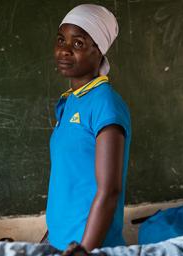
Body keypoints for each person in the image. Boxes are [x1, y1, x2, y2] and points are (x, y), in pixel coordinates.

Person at [46, 4, 132, 252]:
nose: (64, 50)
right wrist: (49, 239)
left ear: (99, 51)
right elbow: (68, 181)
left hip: (90, 247)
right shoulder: (70, 101)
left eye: (78, 44)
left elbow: (109, 191)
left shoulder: (105, 104)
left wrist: (84, 250)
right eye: (61, 40)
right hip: (62, 243)